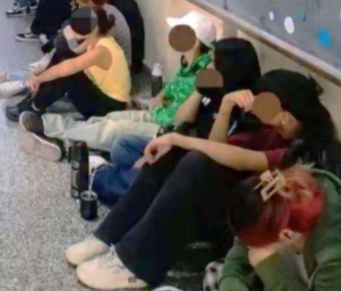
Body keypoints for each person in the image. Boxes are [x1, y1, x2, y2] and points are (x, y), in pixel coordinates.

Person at [65, 70, 336, 291]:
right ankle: (108, 236)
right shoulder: (266, 129)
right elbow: (217, 147)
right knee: (178, 156)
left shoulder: (303, 151)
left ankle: (136, 265)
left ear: (287, 114)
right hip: (226, 200)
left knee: (194, 163)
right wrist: (226, 108)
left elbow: (243, 160)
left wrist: (177, 138)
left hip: (242, 221)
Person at [16, 10, 215, 161]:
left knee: (111, 129)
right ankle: (73, 139)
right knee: (110, 119)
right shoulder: (188, 64)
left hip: (165, 129)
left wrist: (198, 90)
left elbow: (182, 120)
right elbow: (167, 91)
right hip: (156, 115)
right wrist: (157, 99)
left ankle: (49, 128)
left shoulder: (204, 73)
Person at [94, 37, 261, 206]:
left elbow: (212, 157)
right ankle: (137, 180)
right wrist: (199, 90)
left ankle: (126, 180)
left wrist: (225, 106)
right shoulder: (213, 89)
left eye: (212, 63)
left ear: (227, 68)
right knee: (122, 146)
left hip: (194, 165)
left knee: (141, 176)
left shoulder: (242, 106)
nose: (207, 67)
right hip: (181, 145)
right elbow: (180, 119)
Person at [152, 165, 341, 291]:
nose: (251, 247)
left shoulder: (335, 253)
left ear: (287, 235)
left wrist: (272, 271)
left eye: (261, 243)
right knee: (218, 272)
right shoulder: (280, 196)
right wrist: (232, 290)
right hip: (295, 281)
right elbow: (243, 244)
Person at [4, 7, 131, 126]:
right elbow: (75, 50)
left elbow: (66, 67)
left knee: (67, 74)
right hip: (102, 94)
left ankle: (34, 106)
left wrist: (39, 78)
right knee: (62, 55)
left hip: (110, 108)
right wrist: (38, 73)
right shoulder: (97, 38)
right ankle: (37, 97)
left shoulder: (101, 50)